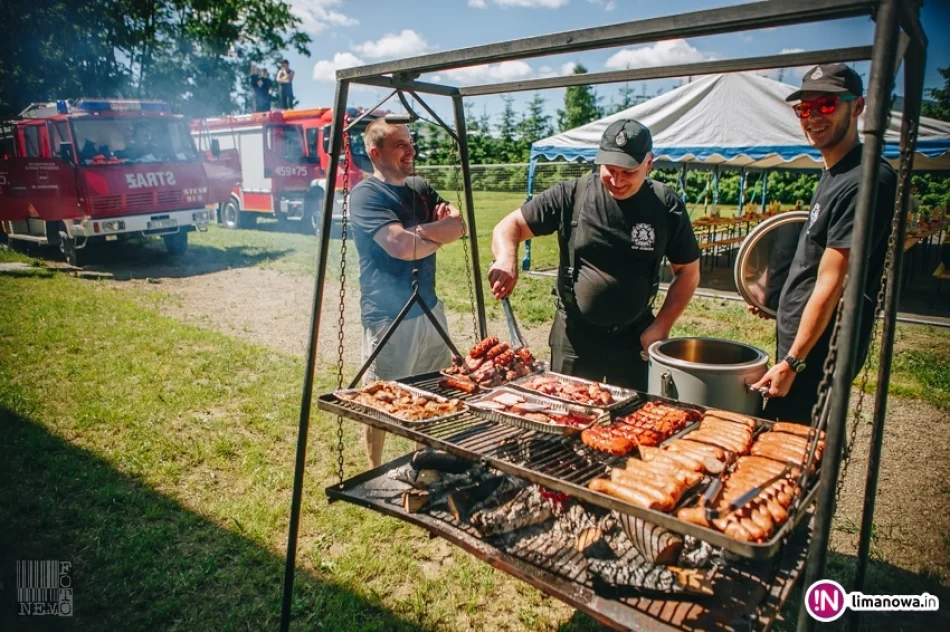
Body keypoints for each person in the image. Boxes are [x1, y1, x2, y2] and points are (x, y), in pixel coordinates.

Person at [489, 119, 701, 390]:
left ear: (649, 163)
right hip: (574, 337)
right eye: (610, 170)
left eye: (628, 172)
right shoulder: (571, 195)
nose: (617, 180)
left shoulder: (665, 205)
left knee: (630, 424)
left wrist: (661, 325)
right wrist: (507, 257)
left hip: (635, 337)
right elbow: (509, 226)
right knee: (566, 419)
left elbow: (688, 272)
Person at [749, 63, 898, 423]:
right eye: (804, 109)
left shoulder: (864, 180)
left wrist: (794, 362)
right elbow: (814, 257)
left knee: (800, 453)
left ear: (858, 106)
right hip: (802, 349)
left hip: (817, 356)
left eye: (827, 105)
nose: (812, 116)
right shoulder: (835, 172)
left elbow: (833, 281)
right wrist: (776, 299)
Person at [349, 118, 467, 468]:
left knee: (433, 389)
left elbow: (458, 224)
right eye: (400, 144)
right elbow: (399, 246)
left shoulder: (419, 186)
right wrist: (435, 234)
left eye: (410, 142)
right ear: (376, 152)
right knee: (382, 397)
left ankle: (423, 460)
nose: (411, 150)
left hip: (429, 307)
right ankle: (374, 468)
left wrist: (422, 235)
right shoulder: (366, 195)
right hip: (388, 315)